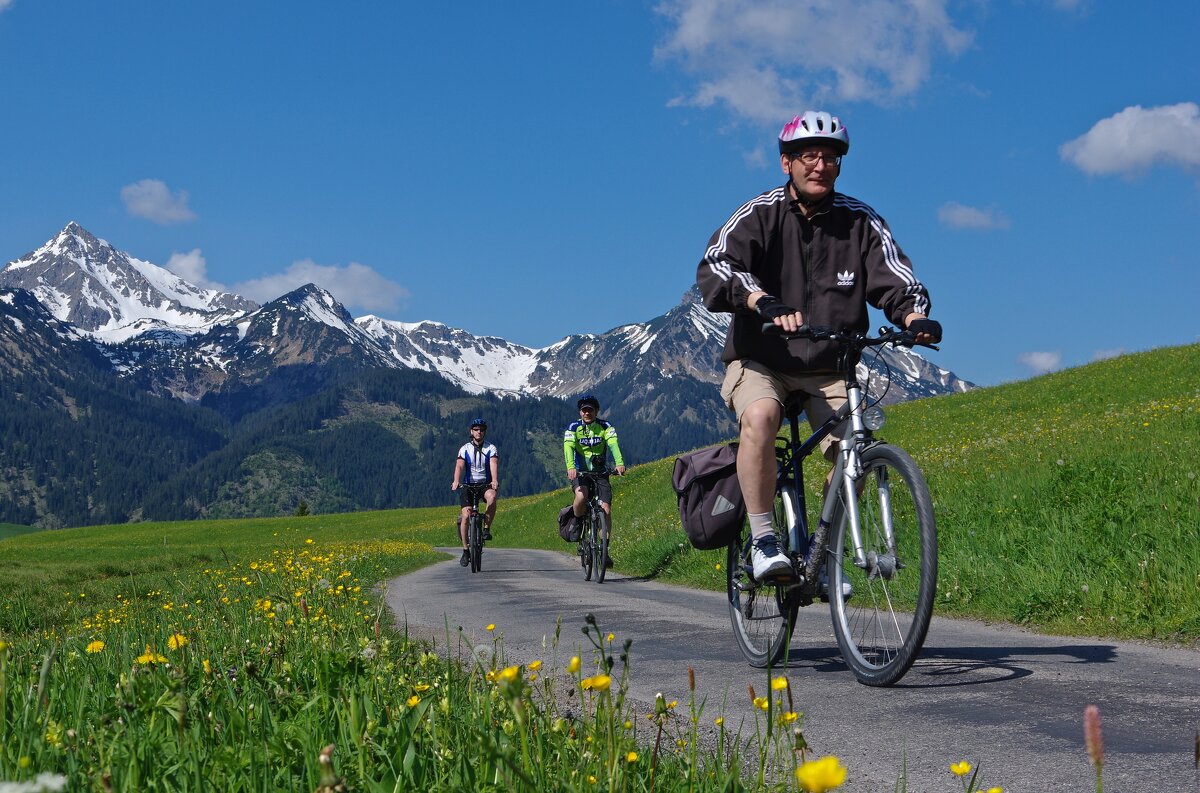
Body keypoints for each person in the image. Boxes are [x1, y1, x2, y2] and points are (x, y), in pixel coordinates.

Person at [695, 110, 942, 582]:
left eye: (829, 157)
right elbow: (717, 264)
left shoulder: (860, 222)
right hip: (763, 359)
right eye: (808, 155)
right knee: (762, 418)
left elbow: (894, 277)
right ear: (786, 163)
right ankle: (765, 538)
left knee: (858, 451)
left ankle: (822, 552)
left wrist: (914, 315)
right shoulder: (760, 215)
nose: (819, 165)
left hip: (833, 365)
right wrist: (761, 301)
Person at [564, 394, 627, 567]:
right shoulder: (573, 427)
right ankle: (577, 521)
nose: (587, 413)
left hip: (601, 473)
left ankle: (605, 551)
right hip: (581, 474)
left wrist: (619, 463)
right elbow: (568, 447)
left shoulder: (605, 426)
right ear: (580, 412)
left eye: (590, 410)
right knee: (581, 497)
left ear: (596, 411)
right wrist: (571, 467)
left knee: (605, 510)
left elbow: (613, 444)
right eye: (584, 410)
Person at [451, 417, 499, 567]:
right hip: (468, 485)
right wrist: (456, 480)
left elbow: (493, 464)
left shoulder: (491, 448)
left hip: (485, 484)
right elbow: (459, 466)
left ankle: (486, 528)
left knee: (492, 497)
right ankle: (466, 550)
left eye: (482, 430)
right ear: (471, 431)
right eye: (476, 429)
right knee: (465, 516)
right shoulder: (464, 448)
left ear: (485, 432)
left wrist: (495, 480)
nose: (479, 432)